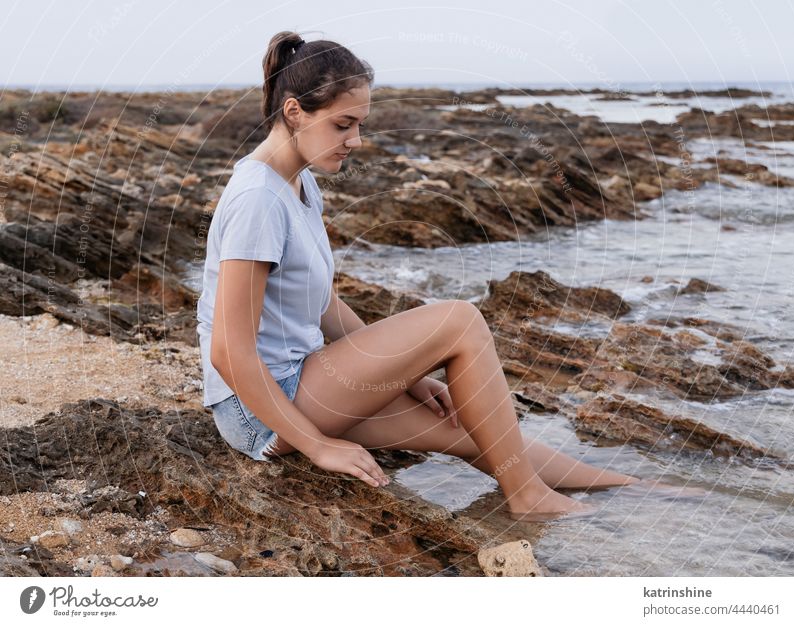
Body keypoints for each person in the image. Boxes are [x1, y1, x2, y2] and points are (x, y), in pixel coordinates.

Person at [197, 30, 645, 523]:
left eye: (360, 124)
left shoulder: (298, 182)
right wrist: (319, 446)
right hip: (257, 409)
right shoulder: (257, 198)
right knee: (460, 321)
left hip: (302, 383)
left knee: (472, 427)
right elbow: (228, 351)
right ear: (294, 111)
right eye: (343, 124)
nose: (356, 141)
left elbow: (322, 307)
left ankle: (640, 490)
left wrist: (408, 379)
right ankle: (528, 500)